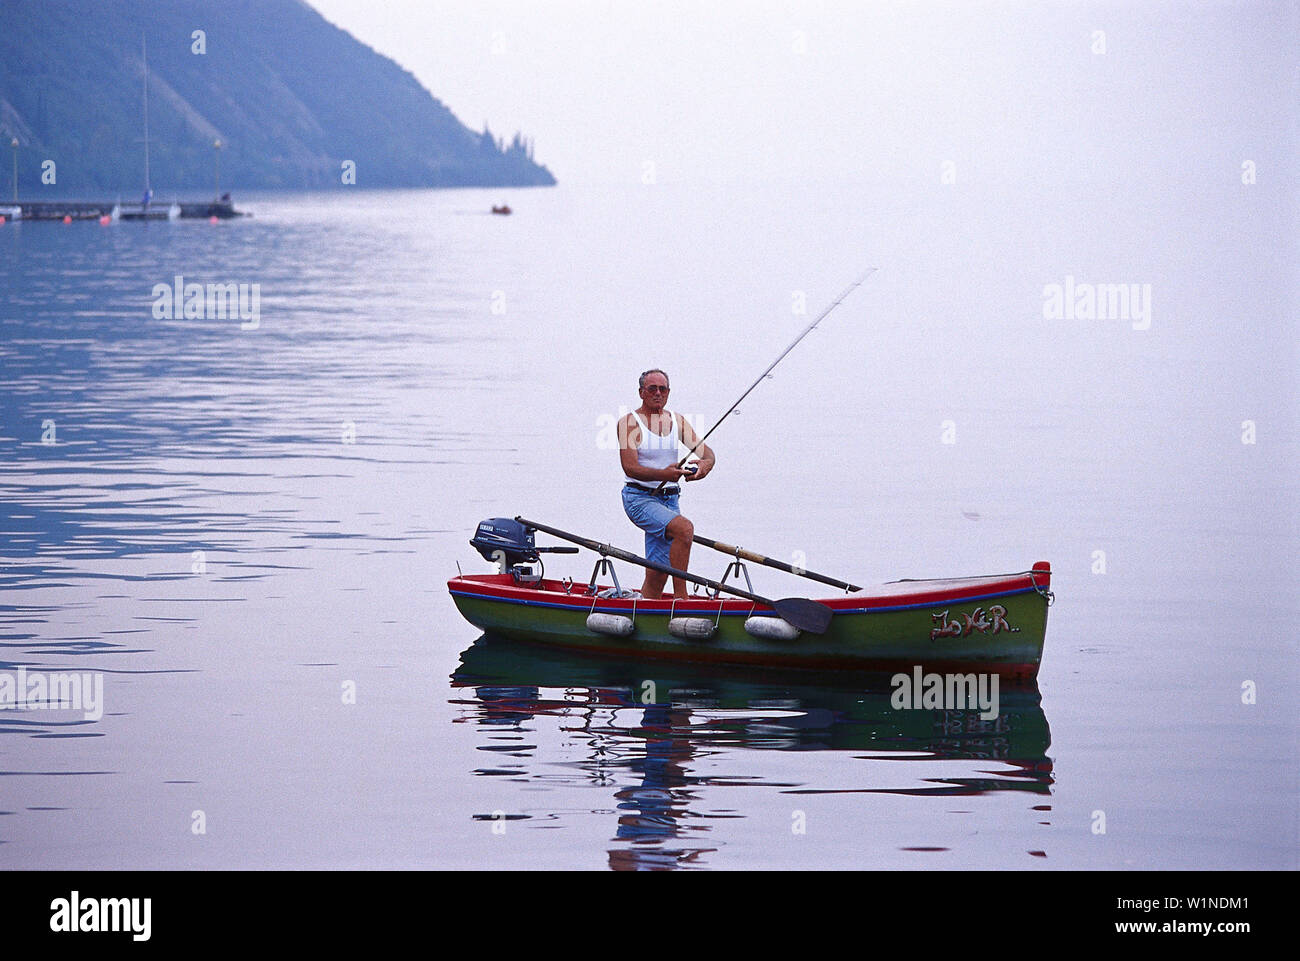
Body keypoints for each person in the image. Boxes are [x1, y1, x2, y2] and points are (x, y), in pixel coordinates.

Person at [618, 368, 715, 598]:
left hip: (669, 499)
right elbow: (629, 468)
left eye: (663, 389)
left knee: (657, 574)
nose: (658, 393)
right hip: (639, 499)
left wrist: (704, 467)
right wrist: (664, 474)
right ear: (641, 392)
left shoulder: (676, 421)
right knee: (684, 529)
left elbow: (708, 454)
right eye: (652, 388)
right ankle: (682, 600)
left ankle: (645, 611)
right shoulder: (629, 423)